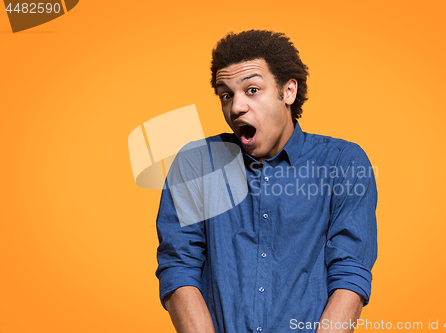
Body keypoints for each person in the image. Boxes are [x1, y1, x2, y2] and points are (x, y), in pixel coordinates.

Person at [155, 30, 378, 333]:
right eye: (226, 94)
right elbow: (179, 267)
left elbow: (350, 274)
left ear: (288, 92)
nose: (236, 107)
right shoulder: (197, 165)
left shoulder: (343, 163)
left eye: (252, 90)